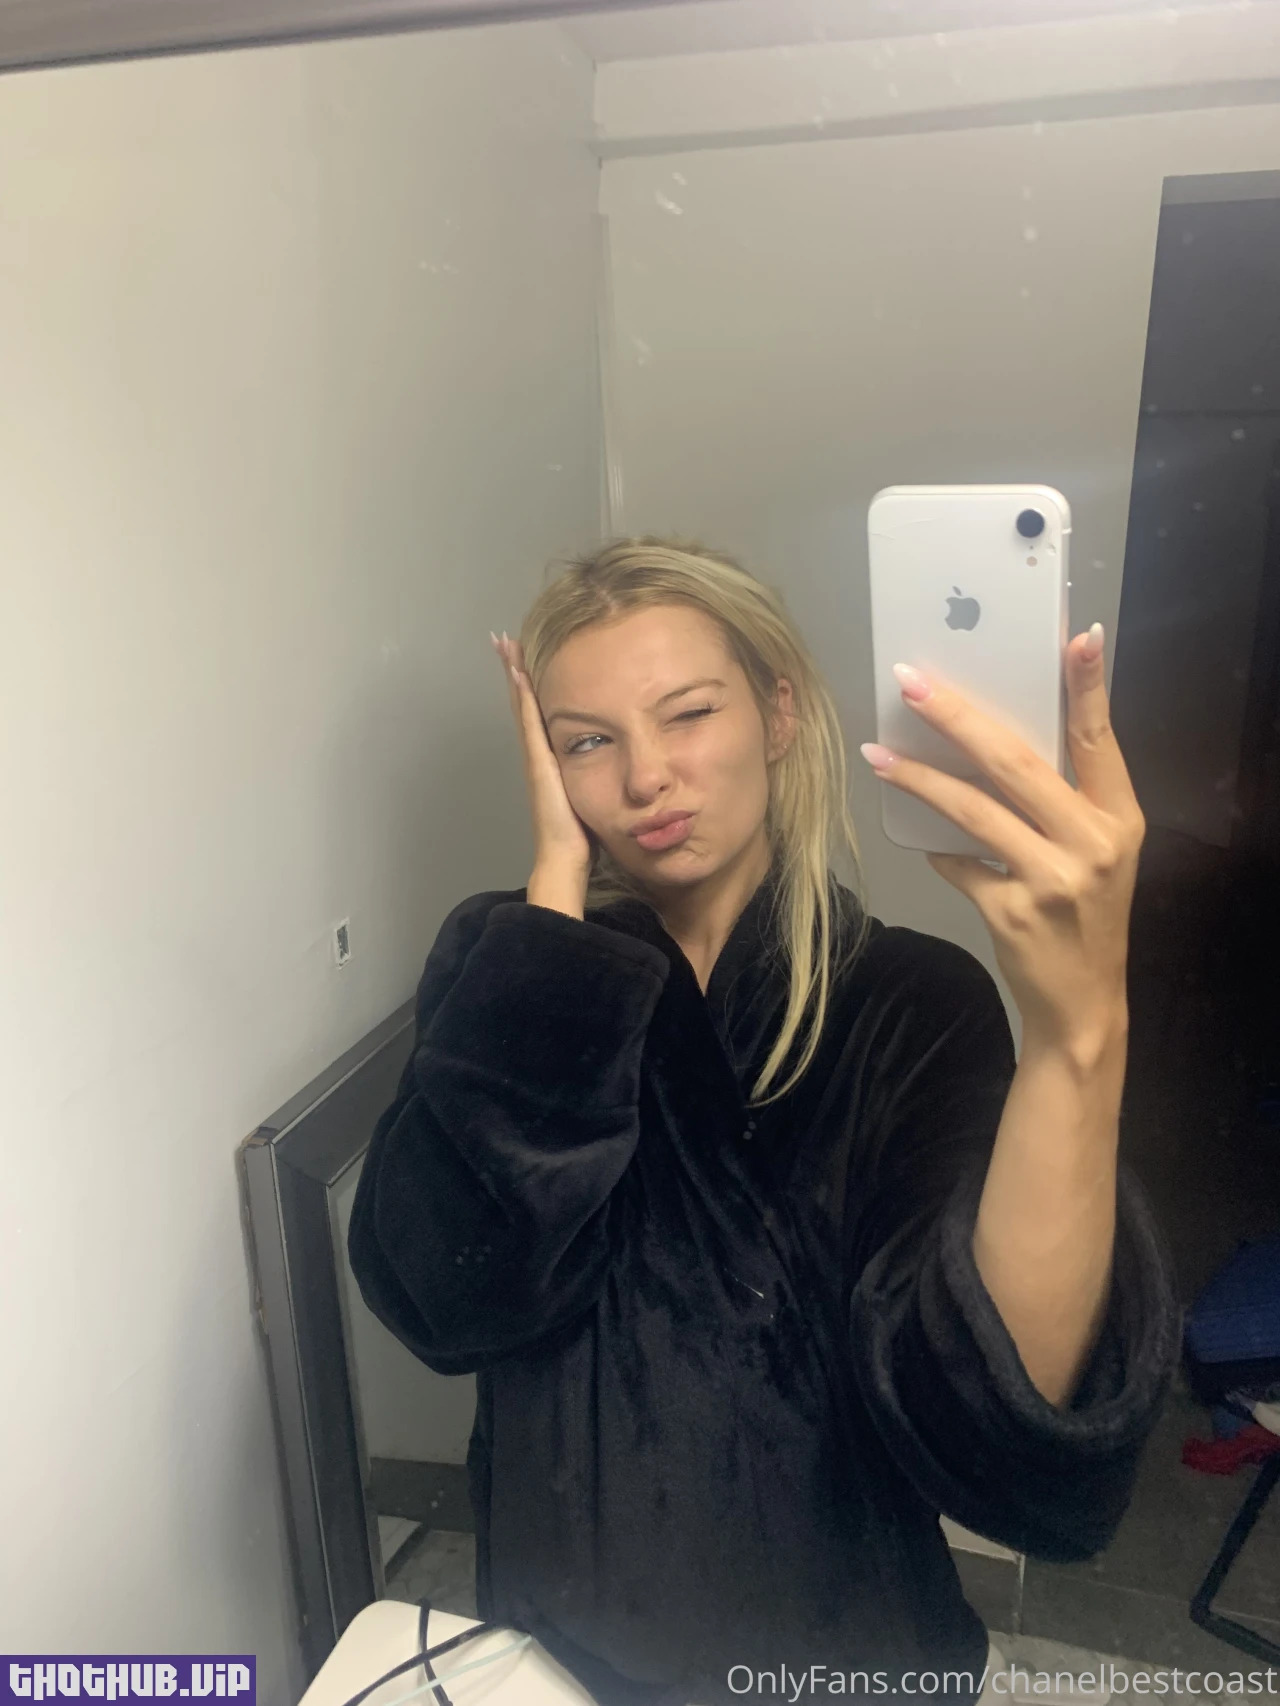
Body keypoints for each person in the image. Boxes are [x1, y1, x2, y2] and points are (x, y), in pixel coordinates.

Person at [347, 537, 1182, 1706]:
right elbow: (443, 1300)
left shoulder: (909, 999)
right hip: (557, 1637)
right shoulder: (509, 960)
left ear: (777, 713)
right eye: (587, 739)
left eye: (688, 713)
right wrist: (552, 906)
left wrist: (1074, 1030)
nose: (646, 776)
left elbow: (998, 1429)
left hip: (841, 1647)